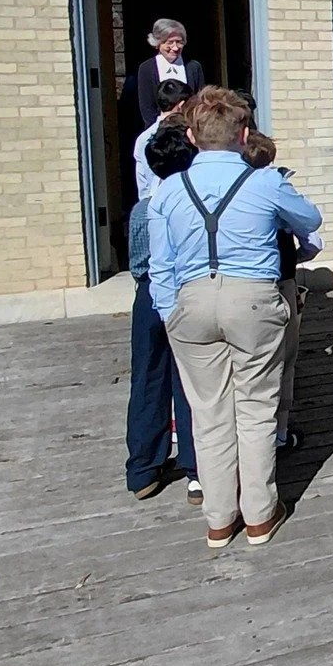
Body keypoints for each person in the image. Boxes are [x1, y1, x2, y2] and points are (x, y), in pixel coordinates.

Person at [148, 88, 323, 550]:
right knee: (256, 407)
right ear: (244, 135)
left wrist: (169, 310)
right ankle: (261, 514)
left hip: (190, 301)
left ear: (191, 135)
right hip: (253, 300)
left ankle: (219, 519)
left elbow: (159, 265)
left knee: (208, 413)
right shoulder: (263, 183)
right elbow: (310, 219)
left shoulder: (168, 189)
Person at [125, 123, 199, 502]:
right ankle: (196, 468)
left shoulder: (141, 210)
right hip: (183, 293)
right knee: (189, 380)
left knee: (147, 379)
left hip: (146, 296)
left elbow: (138, 263)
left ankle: (142, 468)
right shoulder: (187, 204)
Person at [241, 126, 319, 451]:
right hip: (277, 279)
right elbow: (311, 227)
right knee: (284, 359)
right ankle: (280, 433)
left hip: (233, 286)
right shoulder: (273, 188)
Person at [132, 78, 194, 202]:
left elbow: (142, 181)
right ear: (181, 106)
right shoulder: (188, 134)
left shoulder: (142, 138)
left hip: (153, 200)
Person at [134, 18, 203, 127]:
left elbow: (199, 101)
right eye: (169, 42)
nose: (175, 48)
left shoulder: (193, 67)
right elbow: (147, 108)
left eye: (179, 42)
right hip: (160, 131)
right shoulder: (146, 69)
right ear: (157, 43)